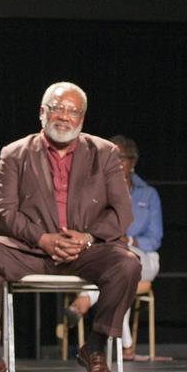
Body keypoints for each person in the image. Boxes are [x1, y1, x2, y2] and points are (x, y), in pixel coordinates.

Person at [0, 82, 140, 372]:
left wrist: (87, 237)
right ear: (42, 112)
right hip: (32, 250)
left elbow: (122, 212)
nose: (64, 116)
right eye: (57, 108)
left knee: (128, 263)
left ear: (82, 119)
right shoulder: (15, 153)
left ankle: (94, 347)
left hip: (86, 251)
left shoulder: (104, 153)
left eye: (73, 111)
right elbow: (2, 212)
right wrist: (43, 239)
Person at [60, 134, 162, 360]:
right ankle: (126, 347)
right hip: (110, 252)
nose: (116, 163)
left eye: (121, 159)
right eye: (111, 158)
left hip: (144, 255)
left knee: (124, 267)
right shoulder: (95, 190)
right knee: (119, 279)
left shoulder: (148, 194)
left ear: (132, 162)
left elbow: (155, 237)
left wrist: (131, 241)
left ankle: (84, 300)